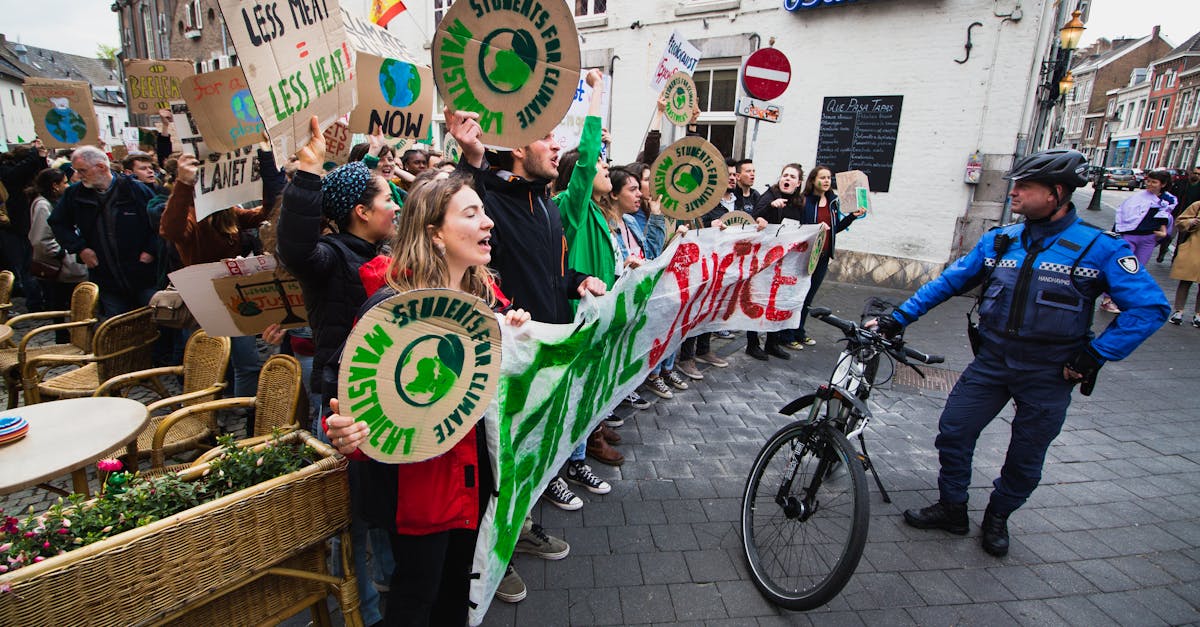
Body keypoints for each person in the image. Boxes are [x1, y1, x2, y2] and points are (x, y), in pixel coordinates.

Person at [873, 149, 1168, 557]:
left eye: (1026, 186)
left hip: (1050, 372)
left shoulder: (1100, 249)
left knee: (1025, 455)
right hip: (992, 362)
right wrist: (899, 317)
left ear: (1057, 193)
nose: (1015, 192)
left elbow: (1150, 307)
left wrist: (1096, 354)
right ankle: (953, 508)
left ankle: (998, 517)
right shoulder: (1001, 240)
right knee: (954, 431)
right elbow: (949, 283)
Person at [323, 173, 537, 626]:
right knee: (417, 599)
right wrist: (345, 431)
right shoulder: (390, 309)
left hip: (474, 478)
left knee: (457, 593)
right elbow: (346, 400)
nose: (489, 223)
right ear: (435, 234)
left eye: (484, 211)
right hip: (419, 489)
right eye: (471, 213)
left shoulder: (484, 303)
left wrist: (514, 338)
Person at [448, 102, 605, 602]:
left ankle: (520, 530)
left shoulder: (546, 205)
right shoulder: (492, 195)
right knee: (499, 462)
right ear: (518, 148)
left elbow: (552, 276)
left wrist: (580, 282)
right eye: (547, 138)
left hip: (545, 357)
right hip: (504, 359)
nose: (557, 145)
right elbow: (460, 198)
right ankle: (495, 556)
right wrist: (471, 156)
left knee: (528, 454)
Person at [277, 117, 398, 627]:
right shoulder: (329, 258)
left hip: (384, 401)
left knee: (383, 507)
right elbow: (296, 249)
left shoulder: (384, 255)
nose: (396, 205)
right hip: (341, 405)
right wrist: (308, 174)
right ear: (361, 212)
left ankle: (394, 586)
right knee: (351, 519)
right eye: (387, 198)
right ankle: (360, 612)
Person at [161, 152, 283, 406]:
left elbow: (267, 212)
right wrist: (183, 183)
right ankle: (203, 413)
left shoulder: (228, 213)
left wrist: (267, 171)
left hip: (233, 299)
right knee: (206, 364)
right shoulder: (192, 215)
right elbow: (170, 230)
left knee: (247, 362)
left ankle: (242, 411)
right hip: (204, 302)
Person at [49, 145, 158, 317]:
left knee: (156, 321)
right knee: (115, 326)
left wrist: (150, 251)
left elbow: (160, 225)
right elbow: (58, 222)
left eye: (82, 170)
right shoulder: (75, 194)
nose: (77, 175)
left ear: (101, 167)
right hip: (105, 275)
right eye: (76, 170)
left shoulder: (135, 190)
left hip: (142, 274)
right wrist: (80, 248)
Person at [792, 165, 865, 347]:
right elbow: (798, 228)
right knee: (797, 296)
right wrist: (816, 229)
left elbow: (834, 229)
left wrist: (852, 217)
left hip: (823, 257)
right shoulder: (804, 201)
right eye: (822, 177)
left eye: (828, 178)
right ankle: (787, 335)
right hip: (806, 256)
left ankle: (799, 332)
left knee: (809, 297)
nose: (826, 181)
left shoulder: (833, 201)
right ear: (813, 180)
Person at [748, 163, 805, 359]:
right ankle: (752, 343)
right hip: (765, 260)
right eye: (785, 175)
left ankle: (773, 342)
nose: (787, 179)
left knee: (779, 301)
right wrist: (771, 208)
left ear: (798, 183)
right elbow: (755, 217)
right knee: (759, 298)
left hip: (785, 262)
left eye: (792, 177)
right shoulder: (769, 196)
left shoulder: (798, 202)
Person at [26, 167, 88, 341]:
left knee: (65, 300)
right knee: (62, 301)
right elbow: (40, 237)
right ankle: (65, 336)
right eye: (65, 182)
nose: (67, 185)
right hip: (59, 265)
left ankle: (73, 335)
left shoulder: (52, 201)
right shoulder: (43, 205)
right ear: (54, 186)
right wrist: (60, 253)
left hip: (64, 263)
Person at [1101, 169, 1175, 313]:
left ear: (1163, 184)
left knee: (1137, 270)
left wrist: (1162, 232)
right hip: (1130, 235)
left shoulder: (1168, 199)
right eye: (1149, 181)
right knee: (1121, 267)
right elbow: (1123, 213)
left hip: (1148, 238)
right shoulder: (1138, 197)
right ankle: (1107, 299)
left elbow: (1165, 216)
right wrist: (1118, 232)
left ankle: (1125, 300)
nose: (1150, 184)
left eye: (1154, 182)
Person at [1, 140, 49, 312]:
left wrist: (40, 157)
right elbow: (17, 174)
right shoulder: (8, 172)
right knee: (25, 265)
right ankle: (34, 301)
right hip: (14, 226)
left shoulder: (22, 173)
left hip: (25, 223)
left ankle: (38, 297)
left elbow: (45, 175)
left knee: (31, 263)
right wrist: (34, 155)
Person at [1168, 198, 1200, 327]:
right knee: (1185, 280)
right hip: (1193, 248)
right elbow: (1180, 222)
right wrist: (1191, 221)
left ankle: (1198, 314)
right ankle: (1178, 311)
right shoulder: (1197, 205)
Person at [1159, 165, 1200, 263]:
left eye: (1199, 174)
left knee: (1182, 239)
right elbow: (1171, 196)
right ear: (1190, 173)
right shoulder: (1181, 183)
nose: (1196, 175)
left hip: (1189, 217)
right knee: (1169, 236)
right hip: (1176, 214)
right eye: (1195, 173)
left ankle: (1175, 259)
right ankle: (1162, 251)